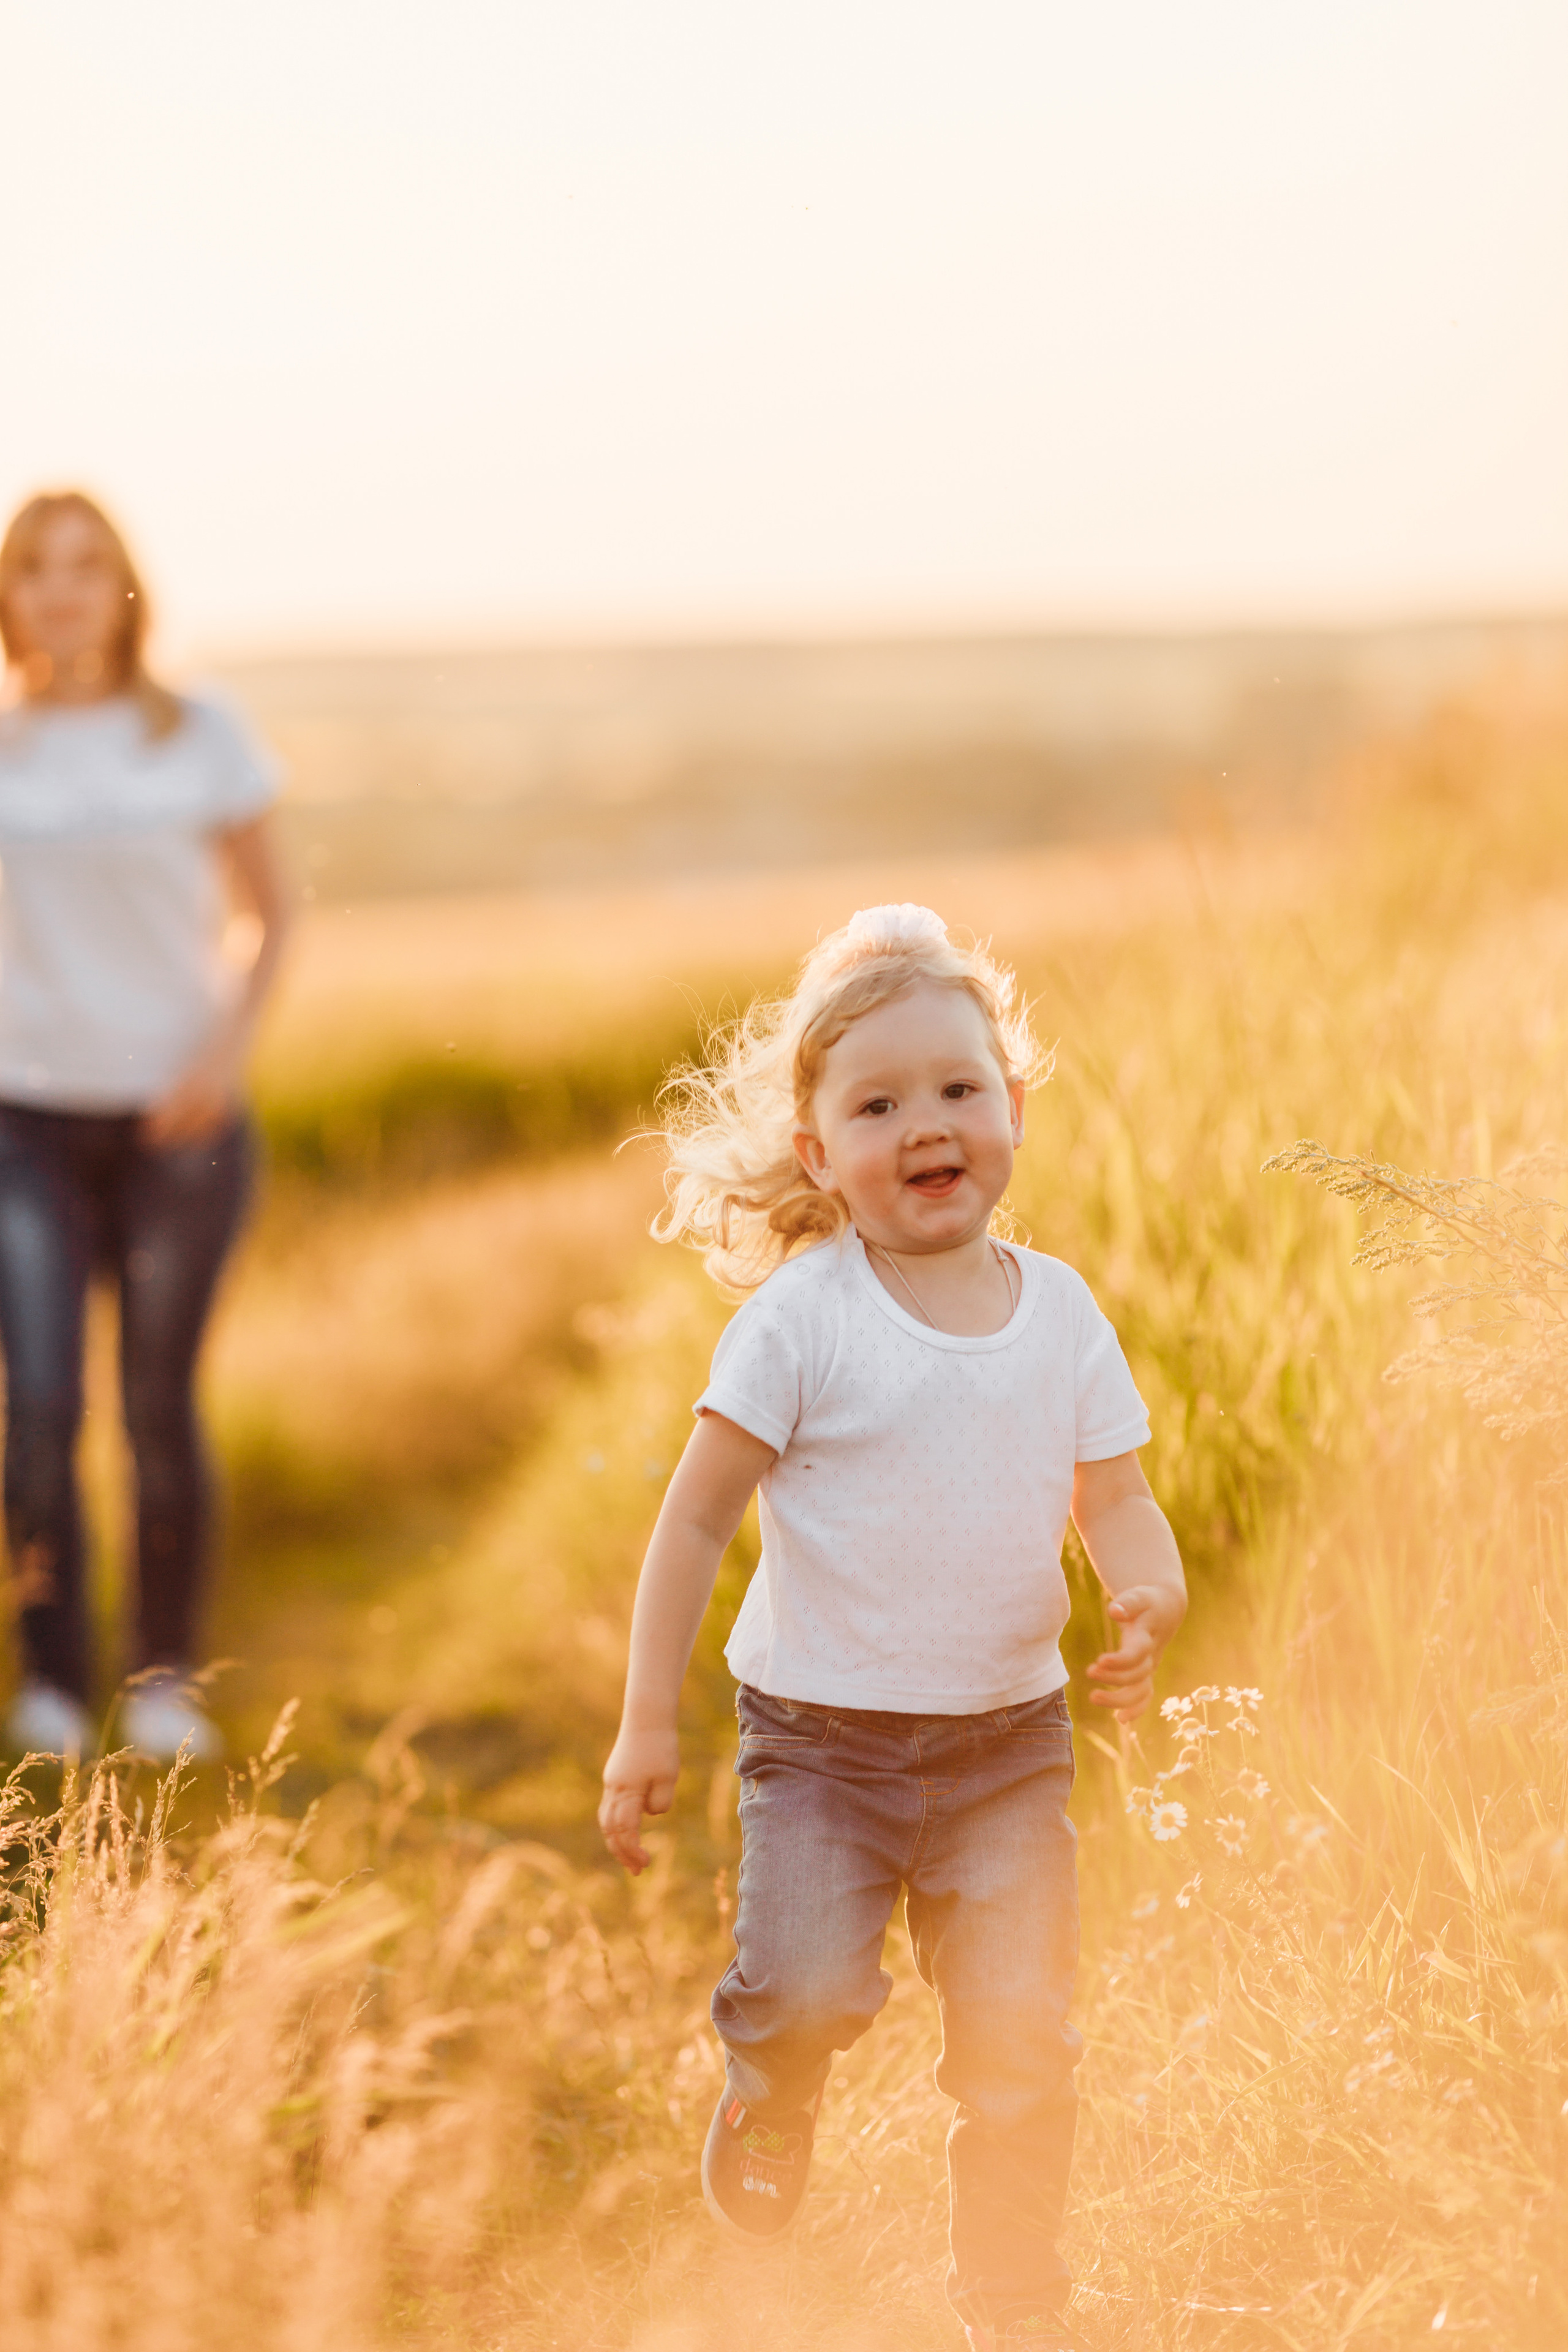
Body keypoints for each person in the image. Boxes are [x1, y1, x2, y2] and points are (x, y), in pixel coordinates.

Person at [598, 902, 1187, 2351]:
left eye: (956, 1089)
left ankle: (1009, 2294)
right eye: (877, 1104)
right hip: (820, 1748)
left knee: (1020, 2045)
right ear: (816, 1154)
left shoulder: (1059, 1315)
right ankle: (769, 2091)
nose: (925, 1124)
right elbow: (689, 1523)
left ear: (1011, 1110)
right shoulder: (801, 1321)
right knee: (801, 1990)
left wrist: (1148, 1586)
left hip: (1008, 1747)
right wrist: (643, 1723)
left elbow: (1109, 1496)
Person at [0, 491, 288, 1763]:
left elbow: (272, 912)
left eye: (85, 566)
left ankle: (165, 1681)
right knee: (43, 1404)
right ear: (9, 596)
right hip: (25, 1128)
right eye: (34, 569)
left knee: (158, 1406)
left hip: (183, 1126)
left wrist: (219, 1059)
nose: (61, 589)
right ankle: (54, 1686)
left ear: (123, 587)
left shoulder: (201, 734)